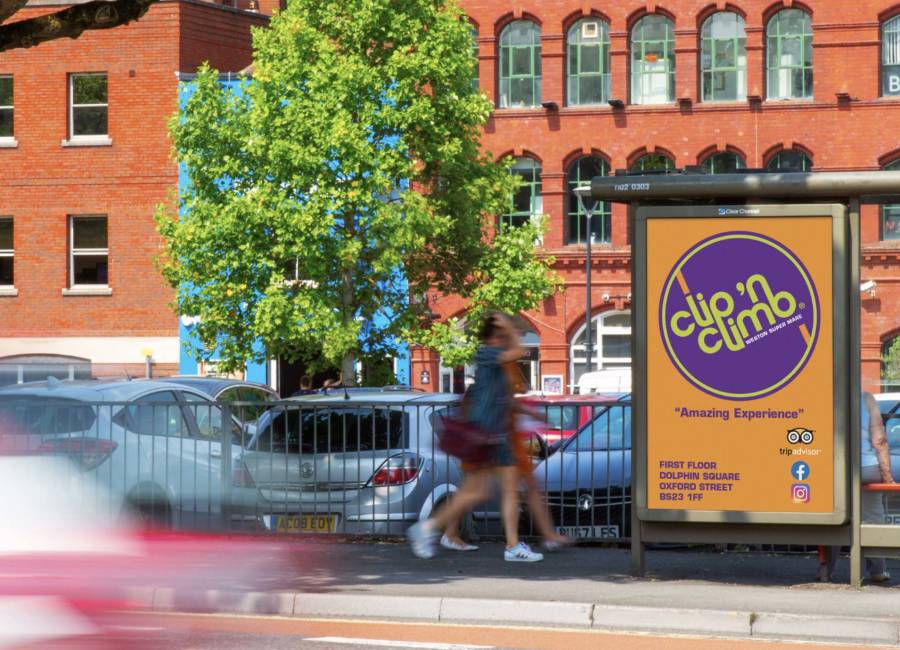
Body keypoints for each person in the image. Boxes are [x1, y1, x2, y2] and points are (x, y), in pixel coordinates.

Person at [407, 312, 544, 562]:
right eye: (502, 335)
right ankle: (426, 529)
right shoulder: (487, 354)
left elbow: (505, 396)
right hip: (489, 434)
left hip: (497, 433)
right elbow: (518, 351)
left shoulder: (495, 358)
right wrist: (509, 328)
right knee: (476, 492)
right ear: (494, 336)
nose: (507, 338)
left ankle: (512, 546)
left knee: (507, 490)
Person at [441, 339, 571, 553]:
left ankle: (453, 533)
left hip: (496, 440)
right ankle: (524, 541)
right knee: (488, 490)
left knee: (485, 490)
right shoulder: (492, 376)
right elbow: (504, 404)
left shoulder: (491, 378)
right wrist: (531, 413)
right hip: (492, 441)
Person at [818, 391, 895, 582]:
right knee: (873, 516)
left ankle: (826, 570)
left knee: (833, 516)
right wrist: (887, 477)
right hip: (866, 468)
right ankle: (878, 570)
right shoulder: (867, 399)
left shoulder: (825, 395)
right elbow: (879, 440)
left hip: (834, 468)